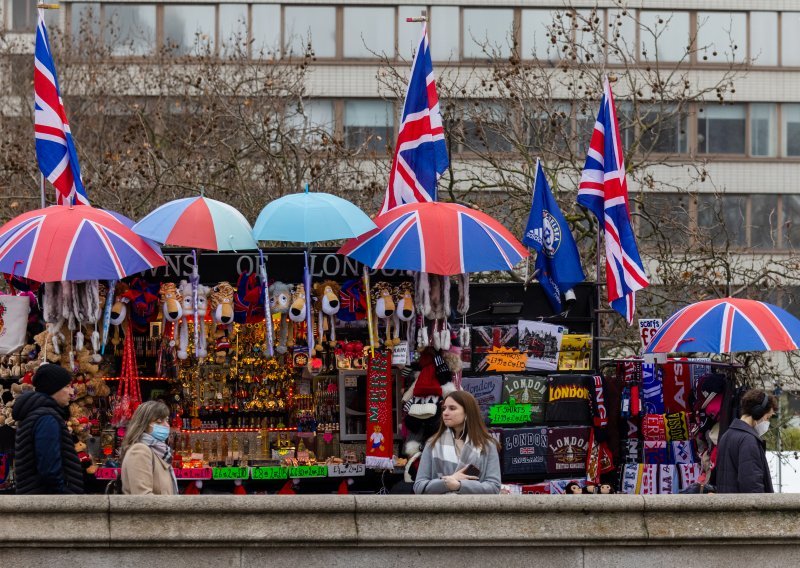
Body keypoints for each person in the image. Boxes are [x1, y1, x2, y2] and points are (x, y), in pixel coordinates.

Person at [12, 364, 84, 494]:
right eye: (67, 386)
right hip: (47, 502)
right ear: (54, 388)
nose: (72, 391)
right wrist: (65, 493)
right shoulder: (47, 418)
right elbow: (49, 467)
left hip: (37, 497)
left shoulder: (37, 414)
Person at [413, 390, 501, 494]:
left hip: (473, 508)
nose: (445, 413)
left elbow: (494, 487)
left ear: (467, 412)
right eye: (444, 408)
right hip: (441, 508)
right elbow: (419, 486)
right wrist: (447, 482)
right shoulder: (433, 444)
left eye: (452, 408)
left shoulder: (487, 445)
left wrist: (459, 485)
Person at [715, 388, 777, 493]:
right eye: (767, 417)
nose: (767, 422)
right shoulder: (748, 440)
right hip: (743, 508)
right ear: (758, 413)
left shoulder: (726, 436)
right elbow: (753, 486)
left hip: (729, 506)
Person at [120, 401, 178, 495]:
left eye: (166, 420)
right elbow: (143, 499)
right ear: (143, 424)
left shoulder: (158, 451)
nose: (166, 425)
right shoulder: (140, 451)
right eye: (159, 421)